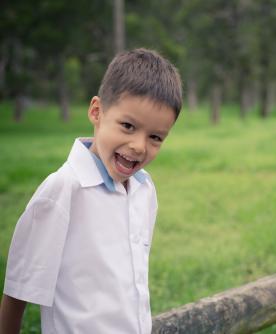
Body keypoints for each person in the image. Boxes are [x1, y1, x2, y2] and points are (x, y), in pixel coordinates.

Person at [0, 48, 182, 333]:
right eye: (128, 126)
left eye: (155, 137)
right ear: (96, 111)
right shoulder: (63, 189)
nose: (139, 146)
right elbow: (19, 289)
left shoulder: (144, 190)